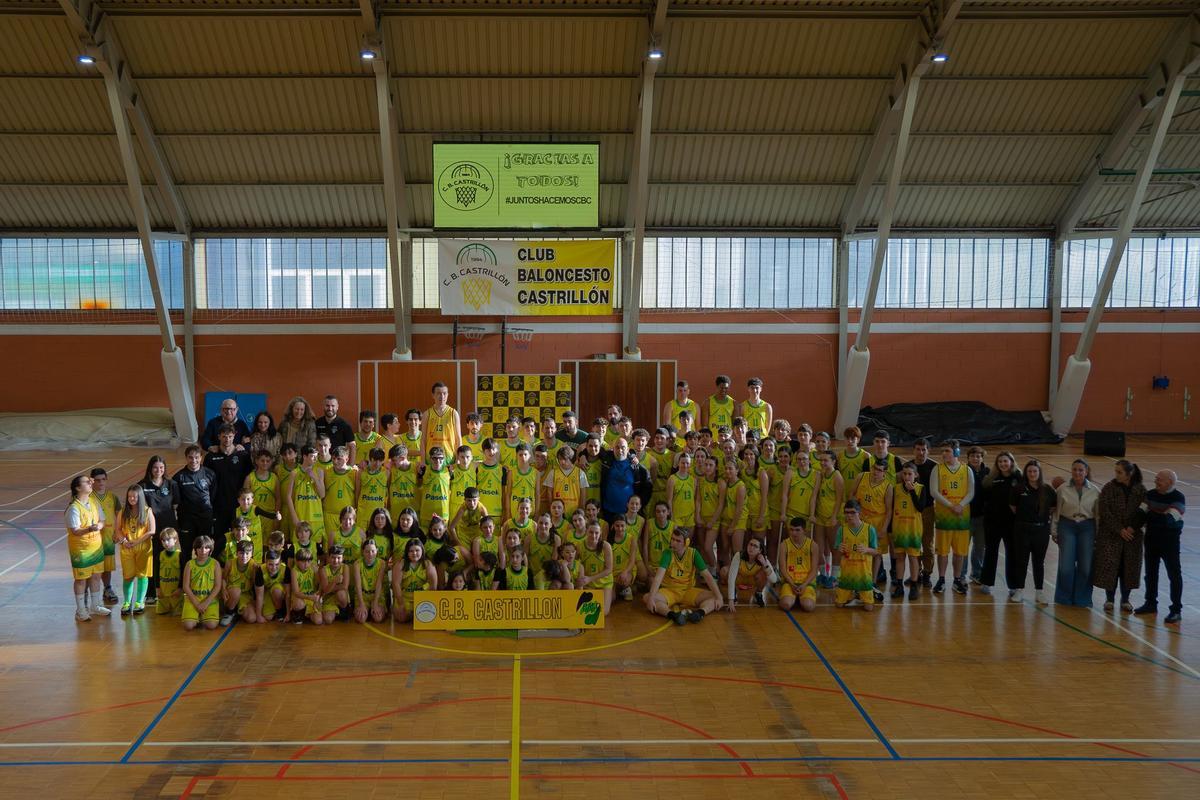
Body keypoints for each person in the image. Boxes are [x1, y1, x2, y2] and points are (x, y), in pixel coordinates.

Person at [1094, 459, 1147, 612]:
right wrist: (1119, 529)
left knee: (1128, 568)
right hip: (1111, 535)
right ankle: (1109, 599)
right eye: (1115, 471)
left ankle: (1125, 600)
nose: (1116, 475)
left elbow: (1143, 511)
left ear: (1129, 473)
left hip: (1132, 537)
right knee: (1111, 567)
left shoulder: (1140, 489)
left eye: (1119, 472)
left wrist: (1131, 528)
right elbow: (1104, 511)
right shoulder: (1109, 488)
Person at [644, 528, 724, 624]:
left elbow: (707, 576)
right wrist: (652, 598)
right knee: (647, 598)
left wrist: (719, 597)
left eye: (678, 541)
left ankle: (699, 613)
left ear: (686, 542)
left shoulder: (694, 554)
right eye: (672, 539)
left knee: (715, 596)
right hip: (670, 590)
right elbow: (658, 578)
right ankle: (673, 615)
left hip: (688, 590)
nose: (673, 543)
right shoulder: (667, 553)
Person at [1137, 470, 1186, 623]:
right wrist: (1156, 516)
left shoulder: (1178, 497)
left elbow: (1169, 521)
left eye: (1159, 480)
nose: (1156, 482)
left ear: (1170, 482)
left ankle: (1176, 610)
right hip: (1151, 540)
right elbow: (1139, 514)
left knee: (1174, 575)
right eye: (1156, 479)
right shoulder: (1151, 494)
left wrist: (1151, 516)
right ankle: (1150, 603)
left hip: (1169, 543)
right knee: (1150, 573)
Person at [1051, 459, 1100, 607]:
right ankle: (1064, 597)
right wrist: (1054, 531)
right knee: (1066, 566)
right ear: (1071, 471)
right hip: (1067, 526)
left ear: (1086, 472)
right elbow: (1056, 512)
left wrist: (1098, 535)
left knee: (1085, 567)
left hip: (1087, 527)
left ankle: (1082, 598)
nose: (1077, 472)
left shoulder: (1095, 491)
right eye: (1075, 470)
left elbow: (1098, 515)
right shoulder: (1062, 489)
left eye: (1081, 470)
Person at [1008, 460, 1057, 604]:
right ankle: (1019, 590)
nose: (1032, 474)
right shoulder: (1018, 489)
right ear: (1026, 473)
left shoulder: (1047, 489)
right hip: (1022, 529)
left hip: (1041, 530)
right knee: (1021, 561)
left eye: (1035, 471)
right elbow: (1013, 507)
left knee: (1039, 562)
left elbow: (1053, 508)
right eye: (1029, 471)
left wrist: (1039, 518)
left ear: (1039, 472)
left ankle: (1039, 592)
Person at [929, 439, 974, 596]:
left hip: (962, 517)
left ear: (956, 452)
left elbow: (971, 492)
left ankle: (956, 579)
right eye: (943, 451)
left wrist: (961, 505)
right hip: (944, 516)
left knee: (960, 551)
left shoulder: (966, 470)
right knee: (942, 551)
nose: (944, 454)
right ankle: (941, 579)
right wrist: (951, 506)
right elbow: (934, 492)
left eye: (947, 451)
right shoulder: (937, 469)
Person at [66, 474, 112, 622]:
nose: (91, 483)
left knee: (96, 575)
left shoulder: (93, 502)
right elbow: (75, 530)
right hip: (81, 550)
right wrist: (89, 530)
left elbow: (102, 520)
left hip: (96, 547)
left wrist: (98, 526)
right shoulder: (74, 508)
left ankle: (95, 605)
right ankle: (80, 610)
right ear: (78, 488)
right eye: (87, 482)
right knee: (81, 579)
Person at [203, 424, 253, 546]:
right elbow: (205, 481)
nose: (227, 439)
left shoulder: (243, 455)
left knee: (239, 537)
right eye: (224, 436)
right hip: (218, 505)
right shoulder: (211, 457)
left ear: (234, 436)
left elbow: (249, 477)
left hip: (237, 504)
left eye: (230, 436)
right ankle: (219, 564)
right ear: (219, 436)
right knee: (219, 538)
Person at [979, 451, 1019, 596]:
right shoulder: (991, 479)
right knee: (990, 552)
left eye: (1005, 461)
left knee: (1012, 553)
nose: (1003, 464)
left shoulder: (1018, 478)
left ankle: (1013, 586)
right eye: (1000, 461)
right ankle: (986, 582)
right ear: (997, 464)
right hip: (992, 522)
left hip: (1011, 523)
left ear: (1011, 462)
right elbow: (984, 498)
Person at [139, 455, 178, 604]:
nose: (158, 470)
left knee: (168, 560)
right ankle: (150, 593)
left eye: (161, 468)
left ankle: (169, 591)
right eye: (155, 467)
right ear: (150, 468)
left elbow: (175, 505)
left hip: (168, 530)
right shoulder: (142, 486)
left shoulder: (171, 484)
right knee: (152, 561)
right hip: (150, 531)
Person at [114, 484, 155, 616]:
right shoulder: (123, 511)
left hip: (143, 547)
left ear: (140, 497)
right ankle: (126, 602)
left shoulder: (147, 511)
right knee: (128, 576)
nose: (132, 499)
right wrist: (124, 541)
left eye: (135, 496)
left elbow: (152, 530)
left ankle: (139, 602)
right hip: (127, 548)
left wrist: (136, 541)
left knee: (142, 575)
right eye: (130, 496)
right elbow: (118, 529)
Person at [174, 445, 217, 570]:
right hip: (187, 520)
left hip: (205, 518)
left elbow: (213, 495)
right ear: (186, 458)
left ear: (201, 457)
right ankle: (184, 580)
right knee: (186, 551)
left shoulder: (210, 474)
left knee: (206, 550)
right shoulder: (179, 477)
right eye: (190, 458)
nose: (194, 461)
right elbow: (177, 500)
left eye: (196, 457)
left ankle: (206, 577)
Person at [890, 462, 927, 601]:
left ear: (915, 475)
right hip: (899, 528)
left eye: (909, 474)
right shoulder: (896, 489)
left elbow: (920, 508)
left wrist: (911, 491)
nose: (906, 477)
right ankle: (899, 586)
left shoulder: (921, 488)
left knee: (913, 558)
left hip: (913, 529)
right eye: (904, 474)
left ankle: (913, 585)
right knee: (899, 558)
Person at [834, 500, 879, 612]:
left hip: (863, 574)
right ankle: (852, 594)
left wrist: (867, 549)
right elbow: (837, 551)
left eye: (852, 512)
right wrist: (839, 549)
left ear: (860, 513)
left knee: (868, 608)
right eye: (846, 512)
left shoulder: (869, 529)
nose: (849, 515)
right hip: (847, 574)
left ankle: (862, 592)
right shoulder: (842, 530)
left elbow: (876, 552)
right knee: (839, 605)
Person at [285, 445, 326, 548]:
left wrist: (315, 478)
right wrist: (294, 518)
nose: (315, 459)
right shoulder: (294, 473)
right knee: (299, 549)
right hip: (300, 517)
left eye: (316, 456)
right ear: (304, 456)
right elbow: (288, 496)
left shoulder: (319, 472)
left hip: (316, 518)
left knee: (316, 550)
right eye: (312, 456)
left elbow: (322, 495)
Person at [910, 438, 938, 587]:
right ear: (913, 450)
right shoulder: (908, 467)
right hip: (911, 511)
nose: (921, 453)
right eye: (918, 449)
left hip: (927, 510)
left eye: (924, 449)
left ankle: (927, 573)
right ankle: (916, 573)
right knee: (914, 544)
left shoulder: (934, 467)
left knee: (927, 543)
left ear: (928, 451)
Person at [723, 533, 777, 610]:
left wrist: (765, 564)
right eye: (750, 544)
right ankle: (734, 593)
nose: (751, 547)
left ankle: (758, 593)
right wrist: (730, 600)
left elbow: (774, 580)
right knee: (724, 571)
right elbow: (731, 578)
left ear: (760, 550)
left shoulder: (763, 559)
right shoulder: (739, 555)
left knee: (764, 574)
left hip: (753, 580)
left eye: (755, 546)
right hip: (740, 578)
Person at [777, 517, 819, 613]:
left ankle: (799, 598)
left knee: (808, 606)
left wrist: (804, 585)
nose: (794, 533)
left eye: (797, 530)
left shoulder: (813, 545)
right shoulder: (784, 545)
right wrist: (792, 584)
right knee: (785, 605)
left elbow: (814, 570)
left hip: (806, 582)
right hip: (790, 581)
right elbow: (783, 569)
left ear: (804, 530)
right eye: (791, 530)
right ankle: (793, 597)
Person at [181, 535, 222, 631]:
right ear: (195, 549)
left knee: (211, 625)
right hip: (193, 599)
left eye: (207, 548)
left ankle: (202, 615)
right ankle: (197, 615)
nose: (203, 550)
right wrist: (196, 604)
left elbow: (217, 586)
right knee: (188, 626)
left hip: (209, 599)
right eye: (200, 547)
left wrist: (206, 603)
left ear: (210, 549)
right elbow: (186, 587)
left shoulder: (215, 564)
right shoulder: (189, 564)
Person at [962, 446, 989, 586]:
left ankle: (977, 573)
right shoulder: (963, 472)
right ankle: (961, 575)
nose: (975, 458)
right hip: (966, 516)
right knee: (963, 547)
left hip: (982, 518)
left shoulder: (989, 473)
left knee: (979, 547)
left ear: (982, 458)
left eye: (978, 456)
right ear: (968, 458)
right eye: (973, 456)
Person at [395, 538, 437, 622]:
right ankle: (411, 613)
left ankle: (414, 614)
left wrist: (427, 604)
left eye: (417, 550)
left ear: (422, 550)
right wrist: (401, 604)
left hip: (422, 599)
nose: (414, 553)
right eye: (411, 551)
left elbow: (433, 586)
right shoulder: (400, 564)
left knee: (423, 618)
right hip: (405, 598)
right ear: (407, 552)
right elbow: (396, 585)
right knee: (402, 619)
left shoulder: (428, 564)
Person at [221, 539, 260, 626]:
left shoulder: (253, 565)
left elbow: (254, 584)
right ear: (236, 553)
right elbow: (223, 578)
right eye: (241, 553)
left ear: (252, 554)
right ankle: (229, 612)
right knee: (236, 591)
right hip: (231, 593)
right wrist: (223, 590)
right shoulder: (230, 563)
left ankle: (237, 611)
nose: (244, 556)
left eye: (247, 553)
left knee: (252, 618)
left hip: (245, 595)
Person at [579, 521, 615, 614]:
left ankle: (612, 593)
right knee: (584, 610)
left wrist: (590, 578)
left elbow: (609, 569)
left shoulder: (606, 546)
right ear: (586, 531)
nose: (594, 535)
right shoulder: (579, 546)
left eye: (596, 533)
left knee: (603, 612)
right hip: (588, 584)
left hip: (604, 582)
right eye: (591, 532)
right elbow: (577, 565)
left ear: (600, 533)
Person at [422, 382, 462, 463]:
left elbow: (458, 438)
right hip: (431, 459)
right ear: (433, 395)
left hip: (449, 459)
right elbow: (423, 439)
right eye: (439, 393)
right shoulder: (427, 414)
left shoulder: (453, 413)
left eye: (444, 393)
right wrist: (422, 460)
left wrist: (458, 459)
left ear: (447, 395)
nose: (442, 396)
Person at [354, 537, 390, 624]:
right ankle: (366, 610)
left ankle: (372, 610)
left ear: (377, 551)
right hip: (363, 595)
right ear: (363, 552)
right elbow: (358, 585)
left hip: (376, 595)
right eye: (367, 551)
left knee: (378, 618)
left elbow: (379, 584)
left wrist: (375, 602)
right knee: (361, 619)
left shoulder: (381, 563)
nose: (370, 554)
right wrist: (361, 604)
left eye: (373, 551)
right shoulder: (357, 564)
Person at [290, 548, 323, 625]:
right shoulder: (294, 571)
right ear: (297, 561)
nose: (306, 564)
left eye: (308, 561)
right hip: (300, 598)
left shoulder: (313, 568)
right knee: (299, 603)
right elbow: (296, 592)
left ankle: (307, 614)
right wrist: (310, 597)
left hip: (312, 598)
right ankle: (297, 614)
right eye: (303, 562)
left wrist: (317, 572)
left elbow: (320, 585)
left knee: (318, 621)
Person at [319, 544, 351, 623]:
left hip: (341, 596)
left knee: (341, 593)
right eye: (333, 557)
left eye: (338, 558)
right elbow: (325, 591)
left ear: (343, 558)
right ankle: (336, 612)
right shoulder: (323, 570)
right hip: (328, 598)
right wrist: (335, 581)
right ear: (328, 557)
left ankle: (344, 609)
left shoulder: (345, 567)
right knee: (328, 620)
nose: (336, 560)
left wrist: (330, 588)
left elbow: (345, 586)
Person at [257, 547, 290, 622]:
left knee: (277, 591)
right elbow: (259, 595)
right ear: (265, 562)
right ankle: (275, 608)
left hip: (279, 592)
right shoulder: (260, 571)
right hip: (267, 592)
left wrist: (288, 614)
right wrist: (258, 615)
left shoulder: (285, 569)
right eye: (270, 565)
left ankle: (280, 611)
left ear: (281, 562)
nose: (274, 568)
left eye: (277, 564)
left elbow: (288, 594)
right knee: (268, 617)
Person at [156, 528, 183, 616]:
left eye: (168, 540)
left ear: (175, 539)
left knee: (178, 614)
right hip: (163, 592)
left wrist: (180, 588)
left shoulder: (180, 555)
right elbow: (156, 573)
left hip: (175, 592)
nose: (165, 543)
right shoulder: (160, 555)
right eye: (163, 540)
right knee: (160, 613)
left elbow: (183, 574)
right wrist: (158, 588)